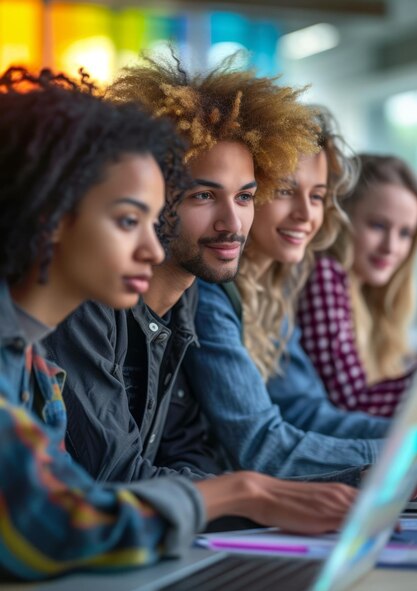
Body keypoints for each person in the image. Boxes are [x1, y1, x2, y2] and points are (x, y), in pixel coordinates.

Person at [0, 67, 357, 581]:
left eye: (246, 196)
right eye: (129, 220)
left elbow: (81, 496)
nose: (150, 246)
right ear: (49, 217)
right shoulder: (39, 347)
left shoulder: (34, 367)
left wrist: (249, 496)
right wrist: (242, 492)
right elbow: (56, 521)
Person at [43, 52, 322, 482]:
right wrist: (247, 497)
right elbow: (115, 474)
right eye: (203, 196)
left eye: (245, 197)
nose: (232, 224)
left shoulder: (187, 297)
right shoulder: (86, 298)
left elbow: (192, 453)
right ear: (151, 193)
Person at [185, 107, 388, 478]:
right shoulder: (210, 292)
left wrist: (405, 443)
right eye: (284, 191)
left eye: (317, 197)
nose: (305, 214)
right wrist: (398, 458)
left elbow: (305, 410)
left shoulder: (274, 284)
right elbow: (261, 447)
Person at [298, 153, 417, 417]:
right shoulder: (324, 275)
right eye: (377, 225)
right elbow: (351, 401)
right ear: (342, 219)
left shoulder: (371, 297)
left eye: (405, 233)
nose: (391, 247)